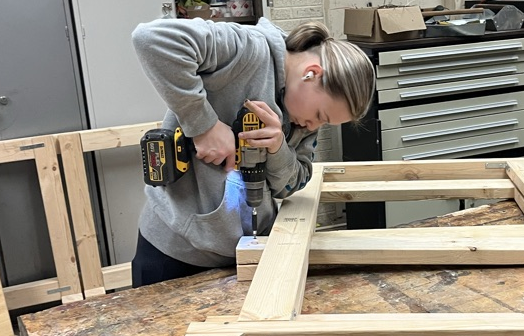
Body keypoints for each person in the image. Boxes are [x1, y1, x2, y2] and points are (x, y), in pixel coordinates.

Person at [130, 15, 375, 287]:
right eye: (320, 115)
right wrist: (204, 125)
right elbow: (151, 39)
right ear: (312, 74)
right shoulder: (248, 50)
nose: (314, 126)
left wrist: (278, 148)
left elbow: (294, 182)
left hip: (249, 252)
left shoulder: (303, 121)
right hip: (173, 253)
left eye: (324, 123)